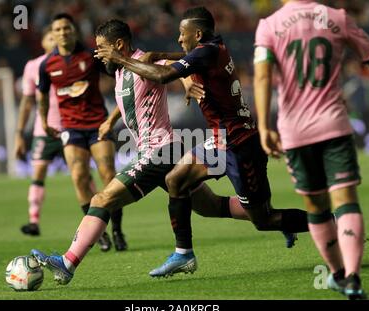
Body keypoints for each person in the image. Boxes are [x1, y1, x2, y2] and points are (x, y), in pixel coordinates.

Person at [30, 19, 293, 285]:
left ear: (119, 45)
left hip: (160, 150)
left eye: (102, 48)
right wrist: (111, 120)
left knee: (101, 200)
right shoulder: (121, 69)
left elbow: (180, 65)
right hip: (166, 151)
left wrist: (188, 80)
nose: (98, 54)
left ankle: (67, 263)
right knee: (210, 206)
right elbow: (132, 97)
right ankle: (275, 220)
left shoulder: (144, 60)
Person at [95, 7, 311, 278]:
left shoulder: (206, 53)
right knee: (176, 179)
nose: (179, 39)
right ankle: (183, 254)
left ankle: (330, 223)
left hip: (240, 144)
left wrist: (119, 58)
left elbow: (162, 76)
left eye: (182, 34)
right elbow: (181, 59)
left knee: (263, 219)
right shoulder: (212, 48)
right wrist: (158, 56)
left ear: (197, 34)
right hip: (220, 140)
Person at [253, 0, 369, 299]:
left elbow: (263, 75)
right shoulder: (337, 18)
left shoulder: (269, 26)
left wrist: (265, 126)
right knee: (346, 200)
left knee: (317, 207)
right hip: (334, 125)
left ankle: (337, 274)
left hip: (295, 131)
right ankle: (354, 278)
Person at [37, 13, 127, 251]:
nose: (63, 32)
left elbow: (118, 75)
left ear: (73, 31)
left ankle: (117, 229)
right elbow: (43, 96)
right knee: (79, 177)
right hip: (71, 128)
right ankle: (98, 233)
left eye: (67, 28)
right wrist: (44, 121)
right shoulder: (47, 65)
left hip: (98, 123)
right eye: (58, 29)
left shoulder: (90, 55)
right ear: (52, 34)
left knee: (108, 175)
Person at [15, 27, 63, 236]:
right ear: (42, 42)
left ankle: (97, 226)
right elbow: (27, 102)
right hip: (43, 131)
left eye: (57, 37)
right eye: (50, 37)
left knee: (82, 176)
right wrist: (19, 134)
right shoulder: (33, 66)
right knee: (38, 174)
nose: (54, 40)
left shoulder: (69, 62)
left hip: (69, 129)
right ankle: (33, 220)